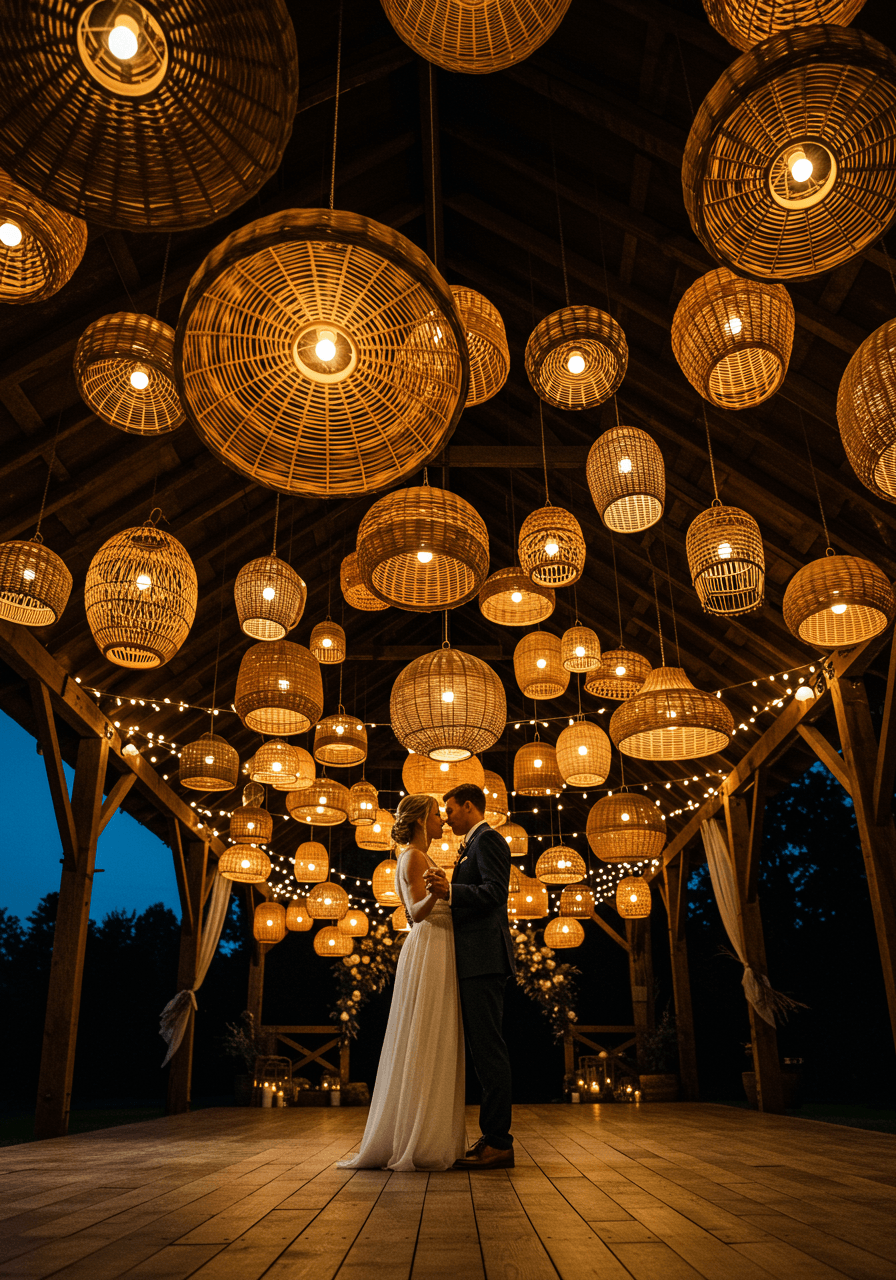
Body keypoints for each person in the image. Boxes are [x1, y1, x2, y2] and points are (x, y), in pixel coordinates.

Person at [337, 793, 465, 1171]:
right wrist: (441, 893)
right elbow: (415, 911)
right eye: (437, 816)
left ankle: (431, 1131)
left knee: (435, 1035)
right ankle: (416, 1140)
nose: (442, 821)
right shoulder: (412, 856)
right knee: (425, 1034)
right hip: (429, 947)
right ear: (422, 818)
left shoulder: (420, 858)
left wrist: (445, 890)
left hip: (439, 947)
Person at [424, 782, 516, 1170]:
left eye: (450, 809)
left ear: (468, 806)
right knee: (482, 1051)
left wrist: (451, 891)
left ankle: (499, 1141)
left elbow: (495, 893)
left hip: (484, 959)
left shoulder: (489, 841)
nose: (446, 818)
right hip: (474, 960)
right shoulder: (473, 844)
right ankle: (491, 1136)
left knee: (489, 1050)